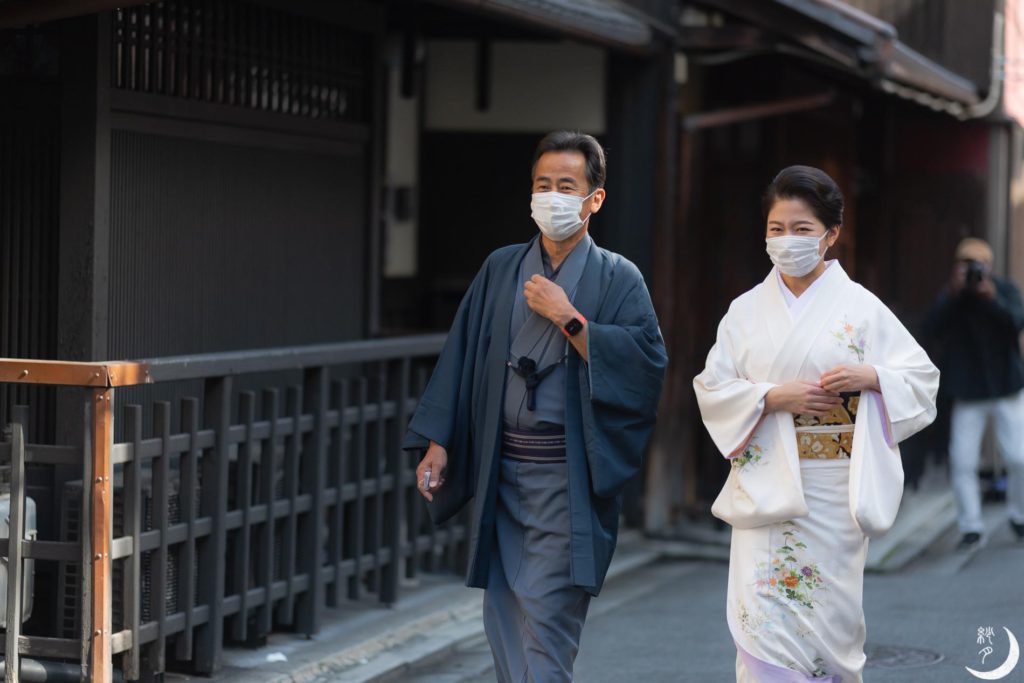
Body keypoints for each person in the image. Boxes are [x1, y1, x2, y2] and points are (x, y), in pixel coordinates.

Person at [403, 131, 666, 682]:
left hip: (566, 480)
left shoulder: (620, 277)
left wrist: (570, 318)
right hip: (501, 472)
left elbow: (644, 367)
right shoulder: (501, 267)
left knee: (547, 624)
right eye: (542, 184)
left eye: (566, 185)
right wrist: (440, 439)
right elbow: (463, 355)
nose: (552, 196)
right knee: (502, 618)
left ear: (595, 198)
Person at [693, 166, 939, 682]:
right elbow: (712, 389)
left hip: (834, 492)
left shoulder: (863, 309)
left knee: (831, 628)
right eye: (776, 229)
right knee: (761, 626)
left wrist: (872, 375)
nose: (787, 240)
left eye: (802, 229)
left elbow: (922, 380)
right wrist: (771, 397)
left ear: (831, 234)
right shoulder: (744, 311)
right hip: (766, 488)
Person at [923, 237, 1024, 549]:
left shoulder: (1003, 290)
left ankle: (1019, 516)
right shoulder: (952, 297)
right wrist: (952, 294)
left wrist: (991, 297)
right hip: (968, 390)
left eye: (978, 265)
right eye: (966, 265)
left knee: (1019, 457)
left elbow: (1016, 323)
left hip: (1006, 385)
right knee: (963, 460)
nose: (973, 272)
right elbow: (931, 329)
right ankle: (971, 526)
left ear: (989, 266)